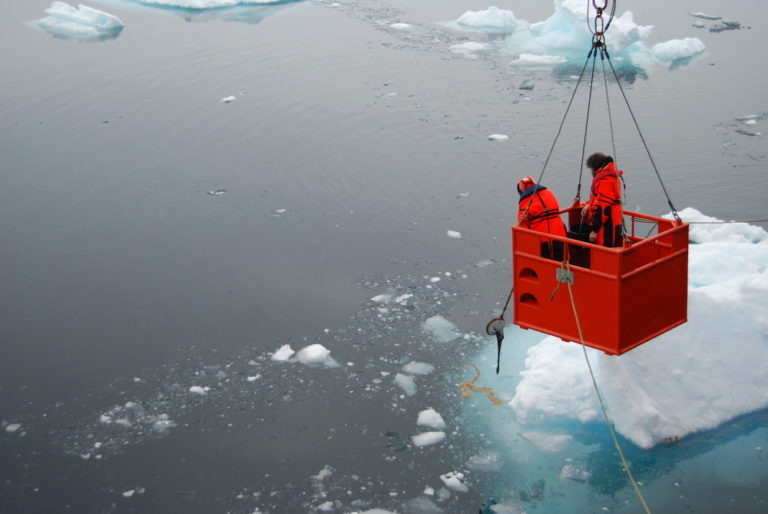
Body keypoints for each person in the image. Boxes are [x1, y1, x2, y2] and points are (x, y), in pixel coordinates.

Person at [517, 176, 567, 261]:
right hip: (559, 232)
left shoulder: (526, 200)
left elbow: (522, 220)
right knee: (563, 261)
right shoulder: (548, 192)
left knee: (546, 263)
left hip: (543, 238)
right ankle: (564, 274)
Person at [582, 152, 624, 247]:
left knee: (603, 250)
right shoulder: (610, 178)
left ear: (594, 168)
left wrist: (594, 230)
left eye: (591, 169)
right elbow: (600, 199)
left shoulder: (605, 182)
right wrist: (589, 205)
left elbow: (604, 208)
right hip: (613, 220)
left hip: (607, 225)